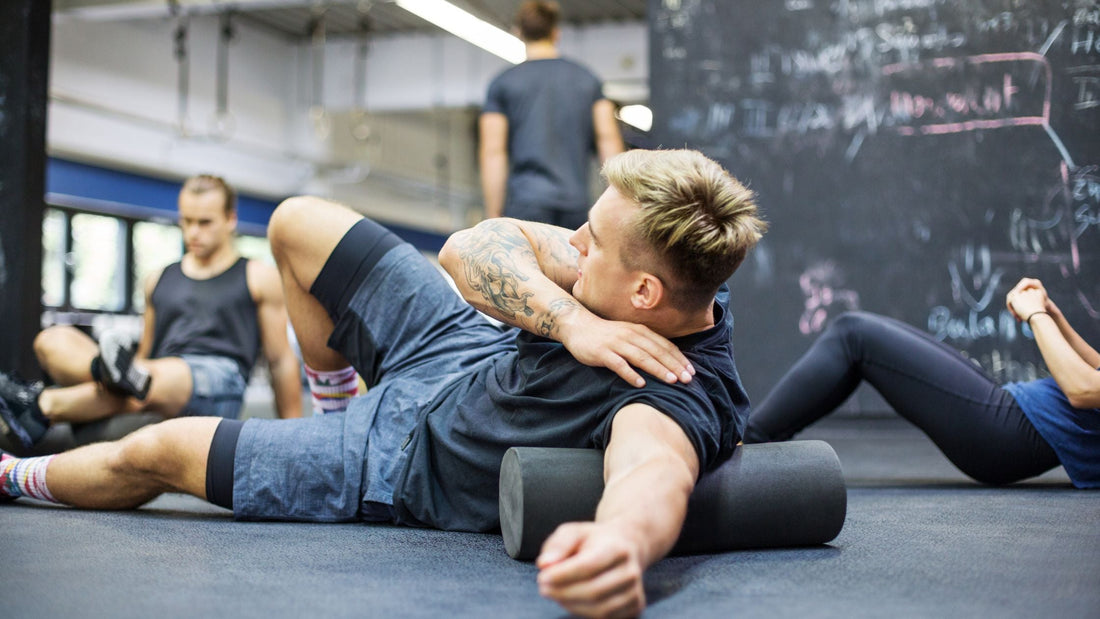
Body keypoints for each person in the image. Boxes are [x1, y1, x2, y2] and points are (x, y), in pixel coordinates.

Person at [0, 149, 766, 618]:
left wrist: (622, 545)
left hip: (397, 457)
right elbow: (471, 249)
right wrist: (571, 321)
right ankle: (335, 402)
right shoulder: (634, 276)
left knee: (158, 450)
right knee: (295, 223)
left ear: (644, 295)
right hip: (457, 348)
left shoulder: (675, 390)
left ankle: (9, 472)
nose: (573, 242)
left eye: (591, 241)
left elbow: (652, 472)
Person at [0, 174, 302, 450]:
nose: (193, 232)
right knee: (52, 340)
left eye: (205, 222)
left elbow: (280, 361)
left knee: (152, 376)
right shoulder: (158, 279)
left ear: (230, 219)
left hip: (218, 379)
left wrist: (293, 438)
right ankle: (100, 376)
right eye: (187, 221)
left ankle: (40, 404)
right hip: (154, 377)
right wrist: (126, 377)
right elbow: (146, 352)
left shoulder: (258, 276)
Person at [744, 278, 1100, 488]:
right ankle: (751, 446)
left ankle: (745, 447)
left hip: (1009, 432)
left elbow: (1083, 390)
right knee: (855, 336)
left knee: (854, 335)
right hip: (1013, 414)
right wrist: (1053, 315)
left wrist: (1036, 313)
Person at [479, 0, 624, 230]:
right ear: (556, 33)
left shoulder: (502, 84)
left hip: (525, 204)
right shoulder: (587, 80)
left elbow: (493, 153)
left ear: (518, 32)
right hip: (575, 205)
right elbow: (608, 139)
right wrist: (619, 203)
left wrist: (493, 214)